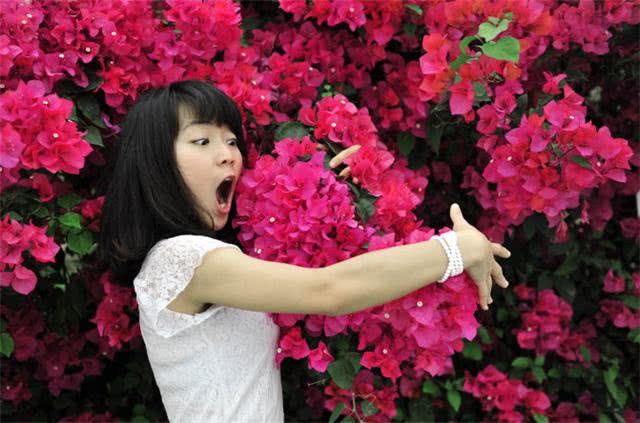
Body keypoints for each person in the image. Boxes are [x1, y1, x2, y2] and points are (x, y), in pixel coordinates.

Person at [97, 79, 511, 422]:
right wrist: (456, 250)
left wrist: (322, 190)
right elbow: (327, 291)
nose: (228, 156)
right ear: (155, 164)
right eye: (202, 141)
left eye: (231, 141)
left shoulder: (199, 260)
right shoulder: (182, 258)